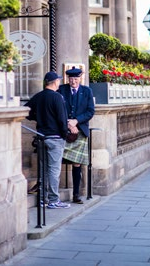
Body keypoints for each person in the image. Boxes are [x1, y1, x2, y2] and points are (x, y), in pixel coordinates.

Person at [25, 72, 70, 209]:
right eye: (58, 81)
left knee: (43, 169)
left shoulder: (38, 96)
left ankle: (43, 199)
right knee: (54, 170)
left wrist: (37, 118)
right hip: (55, 138)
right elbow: (62, 119)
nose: (59, 83)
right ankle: (53, 200)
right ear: (55, 82)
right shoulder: (57, 97)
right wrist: (64, 135)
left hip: (41, 137)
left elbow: (26, 111)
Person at [58, 66, 95, 204]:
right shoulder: (61, 90)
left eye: (76, 78)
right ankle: (53, 194)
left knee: (77, 164)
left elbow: (90, 111)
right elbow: (58, 108)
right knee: (56, 161)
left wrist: (76, 121)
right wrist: (68, 123)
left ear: (80, 78)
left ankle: (76, 194)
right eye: (71, 78)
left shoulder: (87, 91)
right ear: (68, 78)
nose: (73, 81)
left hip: (79, 131)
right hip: (63, 130)